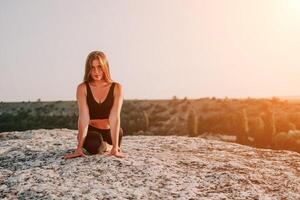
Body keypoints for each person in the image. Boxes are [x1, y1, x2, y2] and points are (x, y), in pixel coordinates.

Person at [64, 51, 126, 159]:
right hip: (92, 130)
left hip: (110, 130)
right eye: (92, 68)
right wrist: (79, 148)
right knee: (94, 145)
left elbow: (115, 116)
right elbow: (83, 117)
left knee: (116, 135)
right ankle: (104, 146)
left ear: (105, 67)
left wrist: (115, 147)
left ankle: (110, 146)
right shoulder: (82, 88)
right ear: (88, 69)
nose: (96, 71)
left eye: (100, 67)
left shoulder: (117, 87)